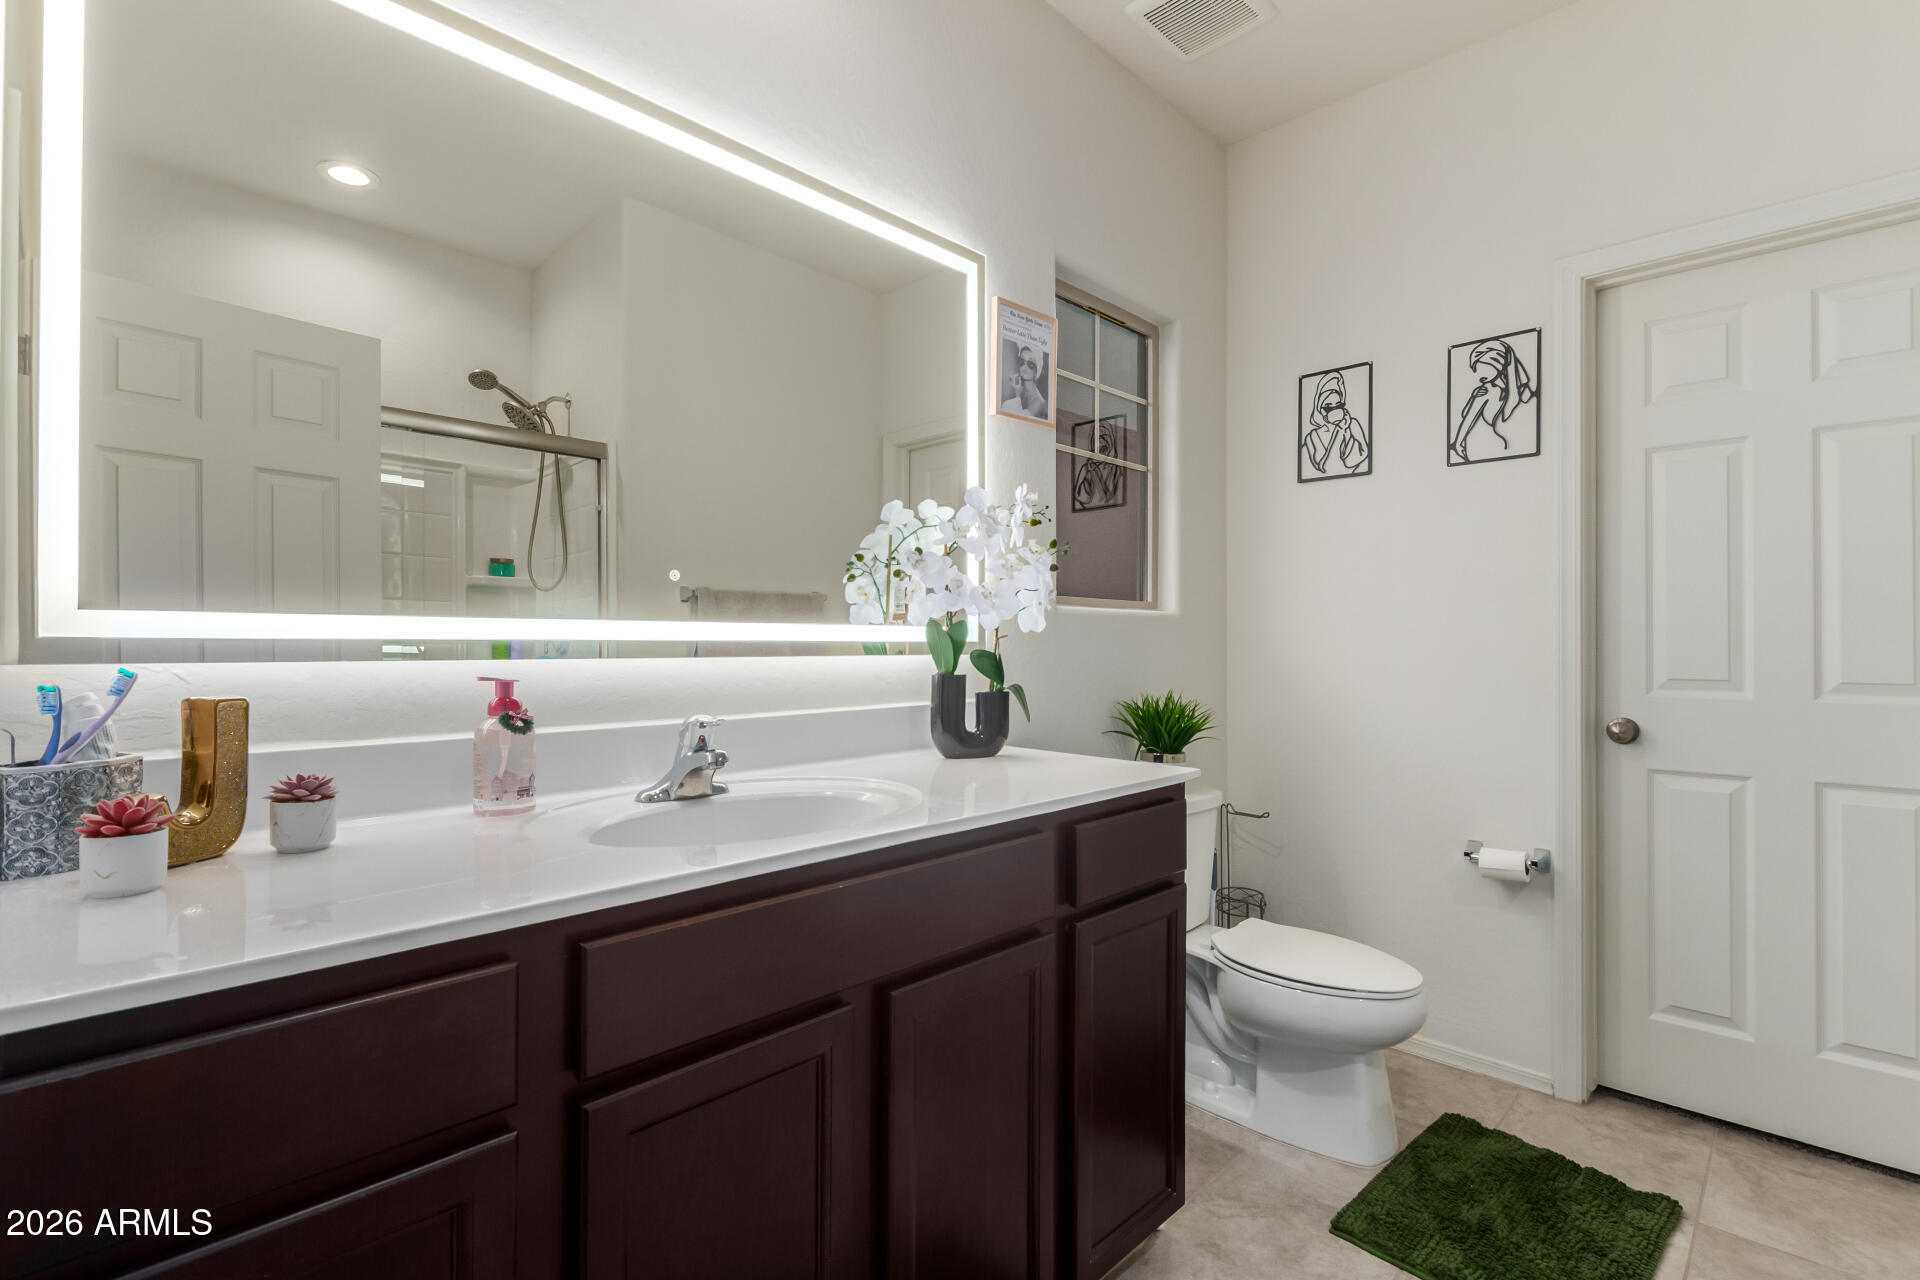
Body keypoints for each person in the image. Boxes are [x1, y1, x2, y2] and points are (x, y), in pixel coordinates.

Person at [1451, 337, 1535, 462]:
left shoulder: (1521, 391)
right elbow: (1467, 417)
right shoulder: (1486, 390)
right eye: (1477, 369)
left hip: (1517, 449)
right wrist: (1458, 444)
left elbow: (1530, 406)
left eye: (1484, 368)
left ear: (1498, 364)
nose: (1479, 375)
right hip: (1488, 450)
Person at [1301, 368, 1369, 476]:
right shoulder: (1313, 437)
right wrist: (1340, 430)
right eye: (1328, 407)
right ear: (1320, 409)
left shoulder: (1352, 424)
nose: (1335, 410)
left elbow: (1363, 452)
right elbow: (1327, 467)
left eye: (1338, 405)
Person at [1000, 344, 1049, 420]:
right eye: (1022, 361)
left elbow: (1018, 422)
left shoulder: (1038, 402)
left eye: (1030, 364)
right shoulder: (1020, 389)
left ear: (1037, 371)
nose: (1024, 367)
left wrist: (1017, 394)